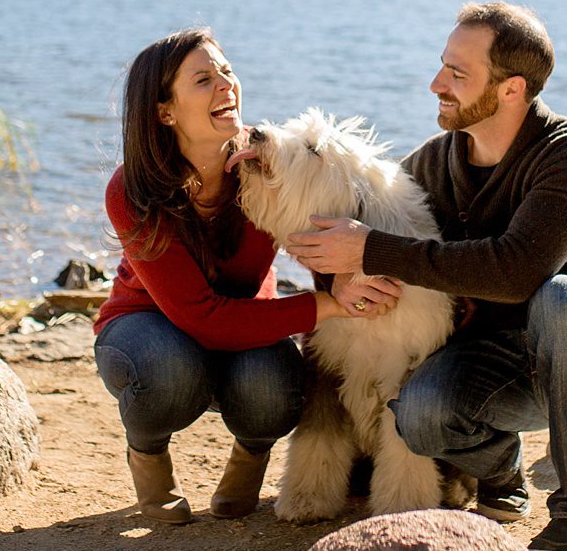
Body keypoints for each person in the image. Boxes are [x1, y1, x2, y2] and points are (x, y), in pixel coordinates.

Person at [287, 1, 567, 551]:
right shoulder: (432, 164)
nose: (437, 84)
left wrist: (368, 246)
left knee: (561, 297)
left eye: (458, 74)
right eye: (442, 66)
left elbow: (517, 270)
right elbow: (367, 233)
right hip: (492, 363)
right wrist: (322, 252)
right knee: (418, 414)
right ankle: (500, 468)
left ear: (511, 89)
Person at [92, 27, 399, 523]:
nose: (226, 85)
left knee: (278, 387)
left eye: (227, 71)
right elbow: (202, 318)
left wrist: (350, 278)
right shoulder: (133, 188)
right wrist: (330, 304)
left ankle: (249, 458)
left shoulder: (267, 158)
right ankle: (148, 455)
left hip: (247, 317)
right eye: (203, 79)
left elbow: (317, 231)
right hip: (147, 326)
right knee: (168, 370)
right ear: (165, 111)